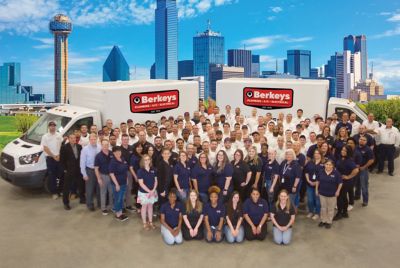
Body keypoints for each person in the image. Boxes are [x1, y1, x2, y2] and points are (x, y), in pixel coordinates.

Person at [316, 160, 343, 229]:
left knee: (330, 209)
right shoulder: (321, 171)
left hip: (332, 195)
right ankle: (323, 220)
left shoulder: (336, 173)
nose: (328, 166)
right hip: (322, 193)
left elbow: (340, 183)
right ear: (324, 165)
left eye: (330, 165)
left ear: (333, 166)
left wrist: (338, 191)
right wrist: (316, 189)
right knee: (323, 208)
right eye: (327, 164)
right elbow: (317, 181)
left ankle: (329, 221)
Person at [335, 146, 359, 220]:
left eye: (345, 151)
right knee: (344, 197)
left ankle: (339, 213)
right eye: (342, 150)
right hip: (339, 180)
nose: (343, 151)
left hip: (345, 182)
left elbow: (356, 170)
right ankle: (345, 212)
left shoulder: (349, 161)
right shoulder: (341, 158)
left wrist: (348, 176)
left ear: (348, 152)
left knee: (340, 197)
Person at [41, 121, 63, 199]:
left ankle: (60, 190)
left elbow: (61, 145)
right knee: (52, 175)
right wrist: (54, 156)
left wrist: (59, 155)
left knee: (61, 174)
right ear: (49, 127)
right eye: (51, 126)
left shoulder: (59, 135)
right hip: (50, 158)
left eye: (54, 126)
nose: (52, 127)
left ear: (55, 127)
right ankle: (54, 193)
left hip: (59, 158)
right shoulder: (45, 136)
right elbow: (45, 148)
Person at [60, 134, 83, 210]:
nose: (73, 139)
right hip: (69, 170)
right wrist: (65, 169)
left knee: (81, 184)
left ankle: (82, 199)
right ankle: (66, 203)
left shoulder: (79, 147)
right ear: (69, 139)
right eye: (71, 138)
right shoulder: (64, 147)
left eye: (74, 138)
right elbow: (62, 160)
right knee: (67, 187)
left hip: (78, 169)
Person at [137, 154, 158, 230]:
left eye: (148, 159)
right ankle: (144, 223)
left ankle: (150, 222)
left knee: (150, 206)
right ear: (143, 161)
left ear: (150, 160)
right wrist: (149, 191)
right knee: (144, 207)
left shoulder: (154, 169)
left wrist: (153, 190)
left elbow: (156, 181)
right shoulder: (140, 171)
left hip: (152, 192)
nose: (147, 161)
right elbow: (141, 183)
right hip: (144, 193)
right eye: (145, 160)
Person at [80, 133, 101, 211]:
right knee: (90, 189)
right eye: (91, 139)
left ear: (97, 139)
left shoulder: (99, 147)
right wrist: (84, 174)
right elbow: (82, 162)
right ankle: (90, 204)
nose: (93, 141)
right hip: (90, 170)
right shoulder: (85, 149)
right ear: (89, 140)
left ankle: (100, 203)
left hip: (99, 170)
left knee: (99, 188)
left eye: (94, 139)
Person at [109, 146, 129, 222]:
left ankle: (120, 212)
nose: (118, 153)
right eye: (116, 152)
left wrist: (126, 179)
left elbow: (125, 170)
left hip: (123, 182)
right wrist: (116, 184)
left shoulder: (122, 159)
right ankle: (118, 214)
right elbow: (111, 174)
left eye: (119, 152)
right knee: (118, 199)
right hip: (117, 184)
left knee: (121, 198)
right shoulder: (113, 162)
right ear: (113, 153)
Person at [94, 139, 113, 215]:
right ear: (101, 145)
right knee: (103, 193)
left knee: (111, 192)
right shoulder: (98, 156)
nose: (105, 146)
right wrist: (99, 179)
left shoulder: (112, 154)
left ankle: (111, 206)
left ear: (108, 145)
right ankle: (103, 208)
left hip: (112, 176)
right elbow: (96, 169)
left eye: (107, 144)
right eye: (104, 145)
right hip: (103, 176)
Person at [304, 150, 324, 220]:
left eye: (318, 153)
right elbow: (306, 172)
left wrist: (316, 182)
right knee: (310, 200)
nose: (316, 155)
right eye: (315, 153)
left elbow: (324, 175)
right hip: (309, 184)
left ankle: (317, 213)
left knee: (317, 200)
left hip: (319, 185)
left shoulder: (323, 164)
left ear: (321, 154)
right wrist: (308, 180)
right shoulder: (310, 162)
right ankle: (311, 211)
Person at [358, 136, 375, 207]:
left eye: (364, 140)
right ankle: (357, 196)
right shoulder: (356, 147)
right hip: (356, 169)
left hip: (363, 170)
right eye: (360, 139)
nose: (362, 141)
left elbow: (371, 160)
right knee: (356, 184)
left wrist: (364, 167)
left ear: (366, 142)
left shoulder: (368, 150)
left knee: (364, 186)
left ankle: (365, 201)